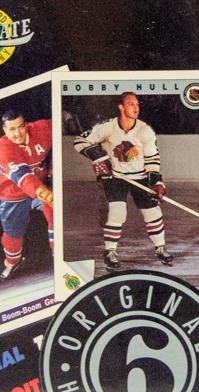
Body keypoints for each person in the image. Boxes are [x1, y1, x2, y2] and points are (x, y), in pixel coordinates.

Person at [74, 92, 172, 270]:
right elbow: (80, 141)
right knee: (117, 212)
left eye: (137, 104)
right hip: (115, 176)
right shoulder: (107, 127)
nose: (136, 107)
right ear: (121, 107)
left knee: (152, 212)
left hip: (140, 177)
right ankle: (110, 251)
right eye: (131, 104)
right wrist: (99, 158)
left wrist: (157, 182)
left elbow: (152, 158)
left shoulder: (145, 130)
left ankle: (160, 247)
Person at [0, 108, 53, 280]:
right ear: (4, 130)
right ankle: (12, 263)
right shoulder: (4, 147)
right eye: (12, 129)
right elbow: (23, 178)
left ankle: (58, 254)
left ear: (26, 125)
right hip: (13, 194)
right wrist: (49, 196)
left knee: (55, 213)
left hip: (41, 184)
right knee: (13, 234)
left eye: (21, 127)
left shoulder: (43, 128)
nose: (18, 133)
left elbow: (63, 128)